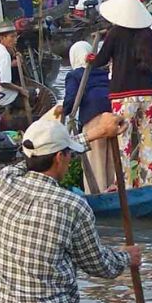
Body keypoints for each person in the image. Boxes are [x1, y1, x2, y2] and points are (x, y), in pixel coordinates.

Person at [0, 110, 142, 303]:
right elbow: (100, 266)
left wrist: (95, 133)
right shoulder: (73, 205)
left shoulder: (5, 180)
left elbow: (28, 159)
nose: (70, 159)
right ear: (60, 158)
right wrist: (126, 257)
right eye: (68, 155)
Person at [90, 0, 152, 188]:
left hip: (123, 95)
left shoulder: (115, 33)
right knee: (148, 138)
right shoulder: (147, 34)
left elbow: (101, 60)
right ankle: (148, 183)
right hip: (148, 94)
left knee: (123, 140)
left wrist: (90, 58)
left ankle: (125, 185)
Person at [63, 42, 113, 194]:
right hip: (113, 115)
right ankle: (114, 189)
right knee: (111, 157)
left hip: (93, 117)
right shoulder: (103, 73)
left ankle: (97, 193)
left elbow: (71, 100)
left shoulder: (74, 75)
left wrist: (64, 110)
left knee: (95, 158)